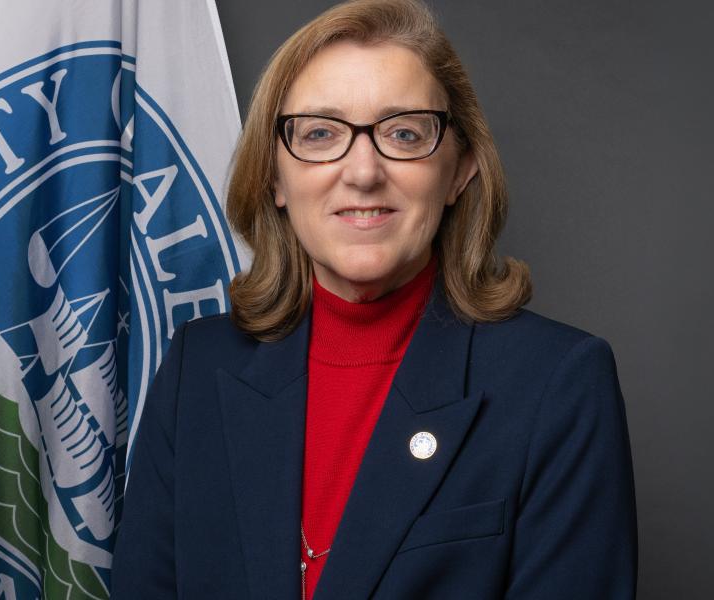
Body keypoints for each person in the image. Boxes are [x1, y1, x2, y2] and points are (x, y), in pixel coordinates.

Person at [111, 0, 638, 598]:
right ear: (275, 176)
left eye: (404, 133)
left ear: (460, 168)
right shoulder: (198, 366)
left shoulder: (558, 384)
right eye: (319, 133)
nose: (362, 171)